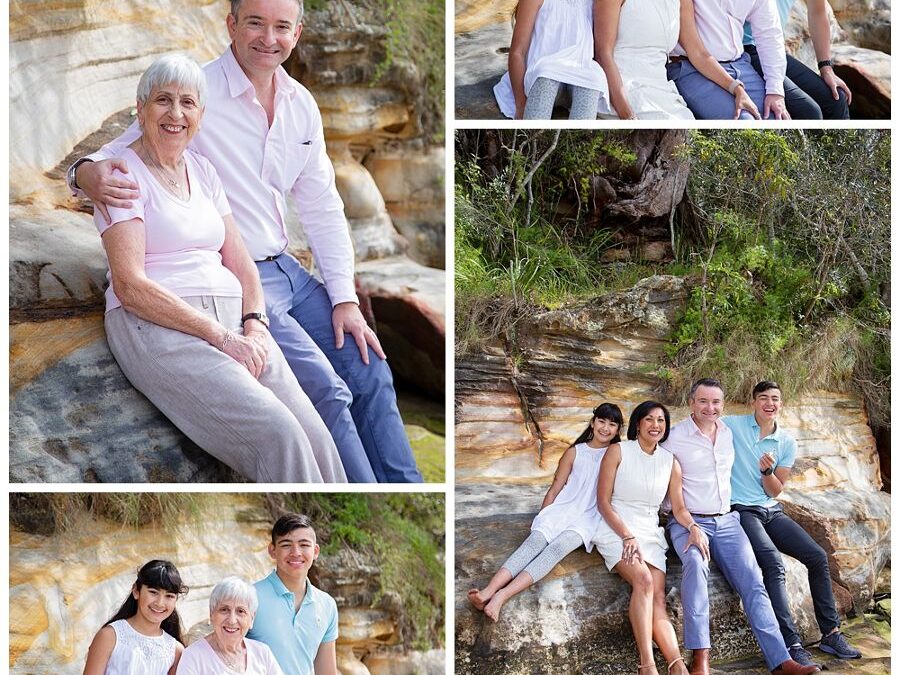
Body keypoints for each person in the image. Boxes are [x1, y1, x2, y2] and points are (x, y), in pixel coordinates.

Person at [69, 0, 422, 483]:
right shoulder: (196, 89)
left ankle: (408, 487)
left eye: (281, 27)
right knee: (327, 392)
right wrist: (83, 174)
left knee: (371, 371)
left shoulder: (301, 105)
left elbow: (321, 206)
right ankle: (360, 492)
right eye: (255, 23)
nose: (267, 38)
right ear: (231, 25)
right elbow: (123, 152)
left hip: (284, 271)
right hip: (238, 276)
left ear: (297, 33)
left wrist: (343, 298)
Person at [90, 53, 345, 483]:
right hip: (161, 323)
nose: (176, 114)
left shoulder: (203, 170)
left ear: (201, 115)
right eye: (162, 101)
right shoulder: (121, 173)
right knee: (280, 434)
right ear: (140, 109)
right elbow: (132, 285)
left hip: (236, 319)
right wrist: (223, 338)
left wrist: (255, 324)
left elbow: (243, 263)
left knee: (316, 433)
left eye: (188, 103)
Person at [663, 378, 818, 675]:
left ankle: (781, 660)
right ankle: (701, 659)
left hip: (727, 520)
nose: (710, 408)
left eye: (716, 402)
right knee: (695, 567)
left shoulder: (728, 431)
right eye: (703, 401)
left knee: (753, 580)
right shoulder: (675, 436)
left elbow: (763, 426)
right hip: (689, 521)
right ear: (691, 403)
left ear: (723, 404)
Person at [726, 381, 861, 665]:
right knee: (773, 565)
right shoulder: (732, 426)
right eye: (764, 398)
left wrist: (767, 472)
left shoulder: (786, 441)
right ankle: (791, 643)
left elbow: (775, 490)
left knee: (817, 556)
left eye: (775, 399)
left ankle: (831, 634)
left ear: (781, 404)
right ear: (753, 402)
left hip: (770, 509)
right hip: (741, 510)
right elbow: (700, 425)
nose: (769, 403)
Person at [467, 403, 624, 621]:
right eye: (602, 421)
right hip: (563, 509)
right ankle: (487, 591)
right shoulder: (575, 451)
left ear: (618, 430)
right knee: (534, 543)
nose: (605, 428)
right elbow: (556, 488)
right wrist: (544, 515)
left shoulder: (618, 455)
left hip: (589, 517)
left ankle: (501, 596)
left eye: (612, 424)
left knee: (556, 548)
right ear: (592, 422)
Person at [594, 402, 707, 675]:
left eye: (661, 420)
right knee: (643, 581)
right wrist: (626, 535)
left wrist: (693, 527)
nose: (656, 425)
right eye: (649, 419)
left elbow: (678, 508)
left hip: (649, 530)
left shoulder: (670, 462)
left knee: (657, 597)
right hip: (617, 527)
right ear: (637, 424)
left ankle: (676, 664)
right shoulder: (618, 451)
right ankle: (647, 664)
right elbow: (603, 502)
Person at [593, 0, 760, 119]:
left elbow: (699, 53)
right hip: (620, 86)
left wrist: (736, 89)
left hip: (661, 88)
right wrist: (627, 115)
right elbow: (603, 53)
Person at [667, 0, 791, 119]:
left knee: (776, 120)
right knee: (744, 121)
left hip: (740, 65)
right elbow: (697, 52)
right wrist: (736, 88)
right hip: (691, 68)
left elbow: (769, 34)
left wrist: (775, 91)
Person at [247, 514, 338, 675]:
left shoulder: (327, 604)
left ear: (315, 551)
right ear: (272, 550)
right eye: (286, 545)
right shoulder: (249, 597)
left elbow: (326, 671)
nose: (296, 552)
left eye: (304, 545)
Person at [493, 0, 608, 119]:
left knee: (592, 78)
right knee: (546, 74)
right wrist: (521, 105)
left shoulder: (592, 2)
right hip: (541, 77)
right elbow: (517, 52)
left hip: (577, 76)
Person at [743, 0, 851, 119]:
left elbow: (818, 12)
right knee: (809, 112)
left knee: (836, 100)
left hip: (773, 50)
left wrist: (826, 68)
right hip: (743, 50)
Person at [83, 560, 187, 675]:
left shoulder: (175, 651)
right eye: (153, 592)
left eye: (169, 596)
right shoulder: (110, 636)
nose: (160, 603)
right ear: (136, 591)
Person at [176, 577, 284, 674]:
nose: (232, 620)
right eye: (224, 610)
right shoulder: (193, 657)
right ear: (211, 614)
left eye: (240, 611)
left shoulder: (262, 653)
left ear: (252, 618)